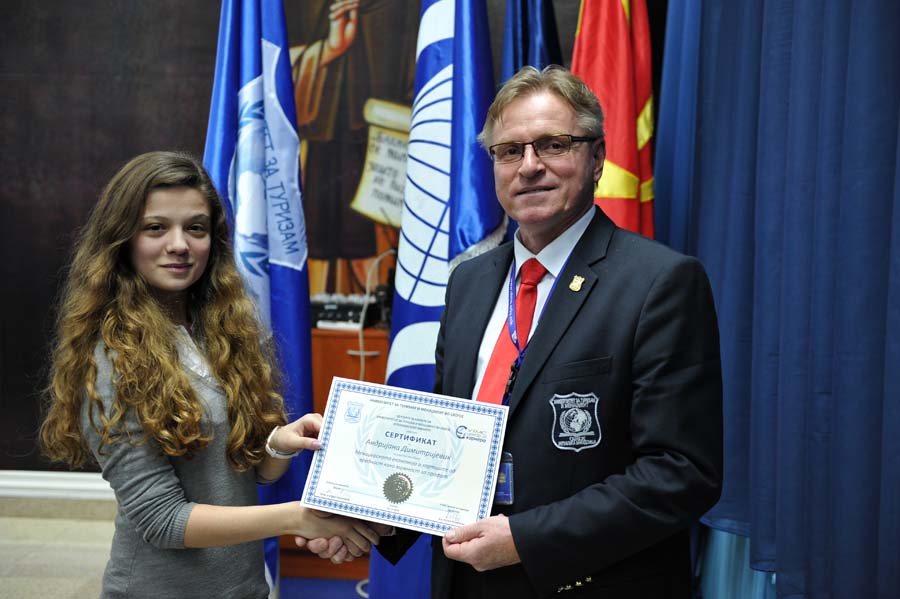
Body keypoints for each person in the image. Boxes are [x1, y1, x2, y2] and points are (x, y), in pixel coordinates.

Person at [370, 65, 724, 598]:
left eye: (554, 145)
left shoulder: (661, 282)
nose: (529, 166)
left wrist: (526, 540)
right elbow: (447, 446)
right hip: (465, 581)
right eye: (510, 151)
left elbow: (682, 473)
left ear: (597, 158)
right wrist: (371, 519)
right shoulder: (468, 282)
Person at [39, 151, 382, 598]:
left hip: (243, 586)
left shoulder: (220, 330)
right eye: (156, 228)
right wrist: (297, 518)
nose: (179, 244)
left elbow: (247, 474)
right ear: (122, 239)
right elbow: (163, 520)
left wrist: (278, 443)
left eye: (195, 228)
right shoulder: (110, 355)